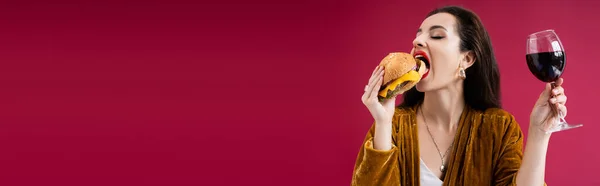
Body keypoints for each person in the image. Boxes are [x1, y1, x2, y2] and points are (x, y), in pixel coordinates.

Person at [351, 6, 563, 186]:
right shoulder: (393, 125)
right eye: (418, 35)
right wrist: (383, 122)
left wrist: (539, 133)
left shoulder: (499, 128)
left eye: (436, 35)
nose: (418, 41)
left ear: (468, 59)